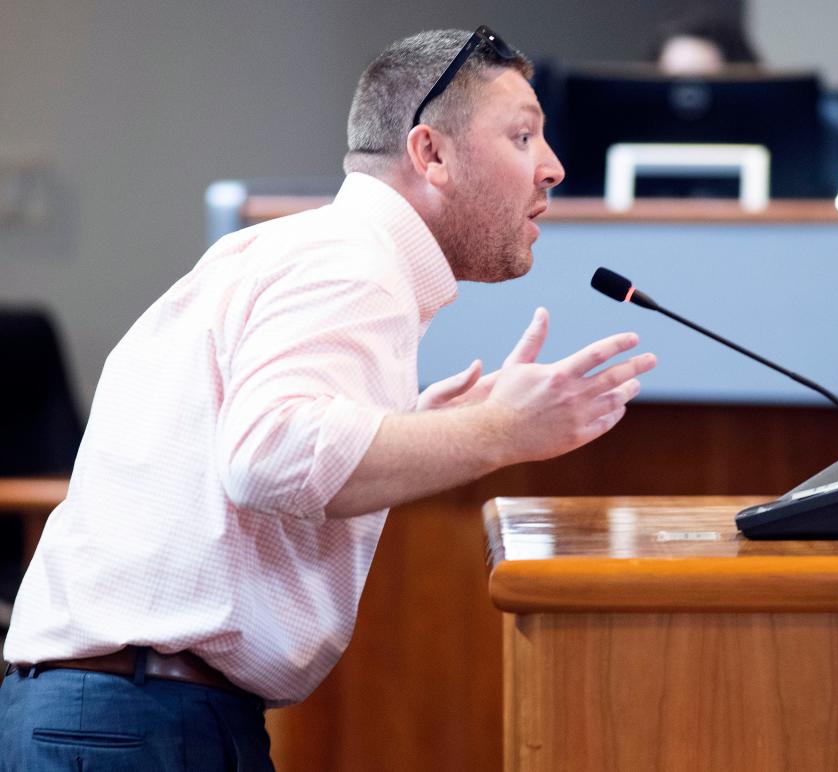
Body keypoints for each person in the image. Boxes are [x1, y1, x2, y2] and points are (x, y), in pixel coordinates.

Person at [0, 26, 656, 770]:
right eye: (522, 137)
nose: (553, 168)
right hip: (140, 722)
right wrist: (500, 431)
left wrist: (429, 427)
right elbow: (270, 454)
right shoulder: (353, 262)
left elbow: (253, 449)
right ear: (430, 153)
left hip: (130, 712)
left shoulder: (308, 248)